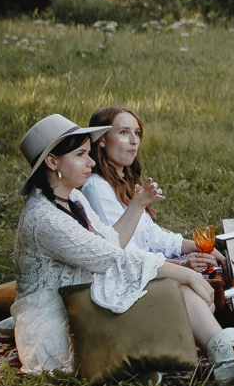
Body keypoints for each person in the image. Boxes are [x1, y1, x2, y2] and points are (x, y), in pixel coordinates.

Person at [10, 114, 234, 384]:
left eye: (89, 153)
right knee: (171, 284)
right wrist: (187, 274)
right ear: (52, 162)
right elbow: (113, 260)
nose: (90, 162)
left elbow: (110, 242)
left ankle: (217, 353)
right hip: (59, 324)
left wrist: (137, 204)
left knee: (163, 282)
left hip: (83, 300)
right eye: (80, 155)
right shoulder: (44, 219)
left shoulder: (71, 197)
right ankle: (221, 356)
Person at [82, 106, 224, 272]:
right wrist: (182, 266)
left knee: (218, 265)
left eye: (137, 132)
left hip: (150, 266)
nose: (134, 140)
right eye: (123, 133)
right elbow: (124, 254)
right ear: (102, 140)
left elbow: (150, 235)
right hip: (130, 276)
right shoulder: (96, 188)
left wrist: (197, 247)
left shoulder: (124, 179)